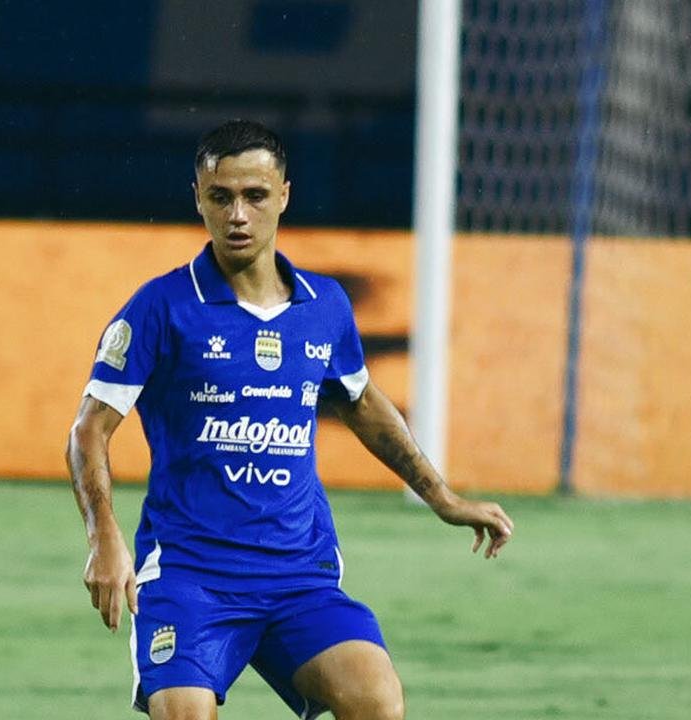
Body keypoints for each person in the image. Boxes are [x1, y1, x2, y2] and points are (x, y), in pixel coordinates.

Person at [66, 120, 515, 720]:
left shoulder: (324, 305)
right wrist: (103, 537)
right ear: (198, 199)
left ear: (284, 196)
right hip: (190, 577)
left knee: (378, 701)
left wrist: (443, 499)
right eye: (221, 196)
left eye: (254, 195)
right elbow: (89, 429)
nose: (238, 215)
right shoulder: (161, 306)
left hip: (298, 575)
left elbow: (361, 402)